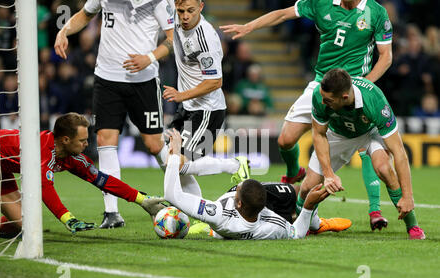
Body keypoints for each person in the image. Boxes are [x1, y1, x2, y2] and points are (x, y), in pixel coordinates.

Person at [220, 0, 393, 230]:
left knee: (365, 148)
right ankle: (294, 172)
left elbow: (386, 56)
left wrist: (364, 87)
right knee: (285, 140)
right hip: (320, 86)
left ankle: (375, 210)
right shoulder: (321, 3)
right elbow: (283, 14)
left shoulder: (376, 12)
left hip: (353, 89)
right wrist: (250, 26)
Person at [54, 0, 175, 229]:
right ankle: (112, 212)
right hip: (107, 79)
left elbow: (172, 39)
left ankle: (181, 197)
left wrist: (148, 57)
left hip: (144, 82)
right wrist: (64, 30)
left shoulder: (158, 2)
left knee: (154, 145)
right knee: (105, 141)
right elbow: (85, 14)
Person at [296, 68, 425, 240]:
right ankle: (300, 223)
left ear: (344, 97)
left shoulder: (374, 100)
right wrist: (328, 174)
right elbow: (319, 134)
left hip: (370, 132)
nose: (323, 101)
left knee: (384, 169)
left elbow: (399, 152)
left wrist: (408, 196)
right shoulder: (320, 95)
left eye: (329, 100)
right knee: (307, 186)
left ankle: (413, 226)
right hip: (338, 134)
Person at [156, 128, 351, 240]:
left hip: (244, 212)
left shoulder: (218, 214)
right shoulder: (271, 228)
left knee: (181, 168)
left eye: (237, 191)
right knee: (297, 192)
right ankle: (317, 223)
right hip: (263, 205)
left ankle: (236, 166)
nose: (235, 192)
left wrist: (174, 155)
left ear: (238, 202)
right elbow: (297, 233)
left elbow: (172, 196)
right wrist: (309, 205)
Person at [0, 113, 163, 238]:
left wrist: (141, 199)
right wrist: (69, 219)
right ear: (65, 140)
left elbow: (103, 180)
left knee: (27, 222)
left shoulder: (73, 158)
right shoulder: (43, 151)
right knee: (30, 223)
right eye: (82, 141)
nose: (87, 144)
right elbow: (45, 187)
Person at [157, 0, 251, 197]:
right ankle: (197, 213)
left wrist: (180, 94)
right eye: (181, 11)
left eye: (190, 11)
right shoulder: (175, 17)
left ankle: (234, 165)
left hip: (207, 110)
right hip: (187, 107)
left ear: (201, 7)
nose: (185, 16)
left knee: (179, 163)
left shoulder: (205, 38)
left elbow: (215, 82)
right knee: (170, 161)